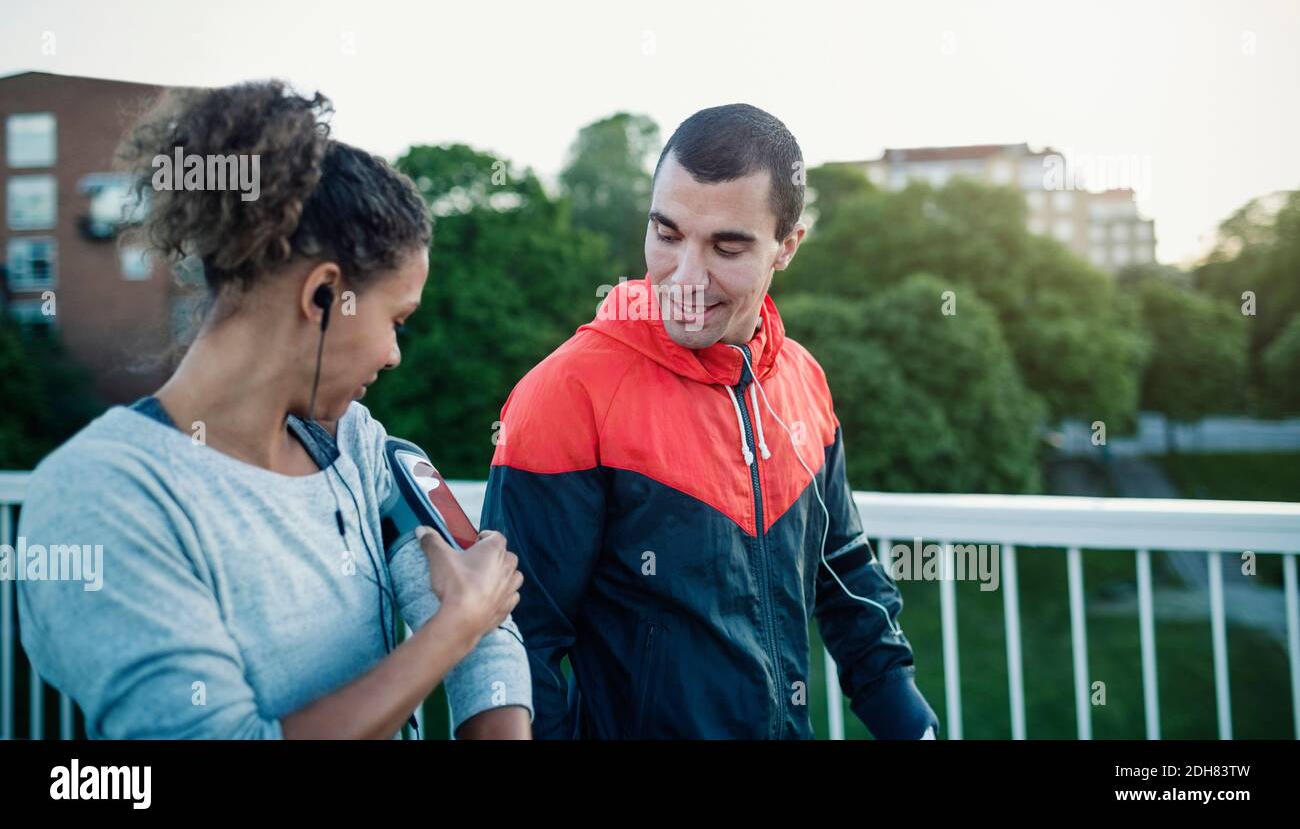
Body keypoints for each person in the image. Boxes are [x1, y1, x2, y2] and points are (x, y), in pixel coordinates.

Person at [17, 80, 531, 739]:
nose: (395, 354)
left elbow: (483, 614)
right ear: (323, 297)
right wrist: (451, 631)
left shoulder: (354, 444)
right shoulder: (101, 495)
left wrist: (471, 632)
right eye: (396, 320)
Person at [482, 103, 940, 739]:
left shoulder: (802, 377)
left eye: (727, 246)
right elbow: (517, 644)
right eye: (667, 235)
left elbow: (843, 567)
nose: (685, 279)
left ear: (787, 246)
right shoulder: (563, 394)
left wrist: (907, 716)